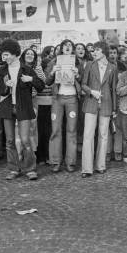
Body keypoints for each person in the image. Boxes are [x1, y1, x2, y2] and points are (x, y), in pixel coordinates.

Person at [0, 39, 44, 180]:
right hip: (7, 108)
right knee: (10, 141)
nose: (4, 58)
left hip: (24, 107)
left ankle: (30, 169)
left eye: (6, 55)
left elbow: (41, 86)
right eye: (3, 55)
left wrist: (31, 80)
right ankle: (13, 169)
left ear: (15, 54)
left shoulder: (27, 69)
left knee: (25, 139)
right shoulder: (1, 70)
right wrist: (7, 87)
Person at [80, 42, 117, 178]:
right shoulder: (90, 65)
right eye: (93, 51)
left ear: (104, 52)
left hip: (106, 104)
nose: (94, 53)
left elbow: (113, 90)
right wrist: (91, 92)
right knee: (88, 135)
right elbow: (83, 84)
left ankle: (100, 165)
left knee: (103, 135)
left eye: (97, 50)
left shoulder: (113, 68)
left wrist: (114, 109)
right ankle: (87, 168)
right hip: (91, 103)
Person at [45, 40, 80, 173]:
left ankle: (70, 162)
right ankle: (55, 161)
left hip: (72, 99)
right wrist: (53, 72)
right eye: (65, 45)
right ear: (61, 49)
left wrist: (77, 74)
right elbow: (47, 82)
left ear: (73, 49)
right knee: (56, 130)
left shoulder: (77, 62)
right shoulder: (54, 62)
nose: (67, 47)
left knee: (71, 131)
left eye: (70, 45)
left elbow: (83, 81)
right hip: (57, 99)